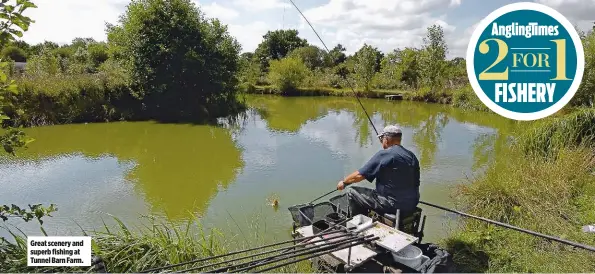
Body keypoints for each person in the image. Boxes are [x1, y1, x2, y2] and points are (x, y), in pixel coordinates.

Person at [336, 125, 420, 218]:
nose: (381, 142)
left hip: (392, 205)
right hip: (412, 203)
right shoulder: (411, 155)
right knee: (375, 193)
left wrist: (344, 182)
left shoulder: (386, 154)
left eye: (382, 139)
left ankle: (358, 224)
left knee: (352, 192)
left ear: (386, 139)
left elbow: (359, 176)